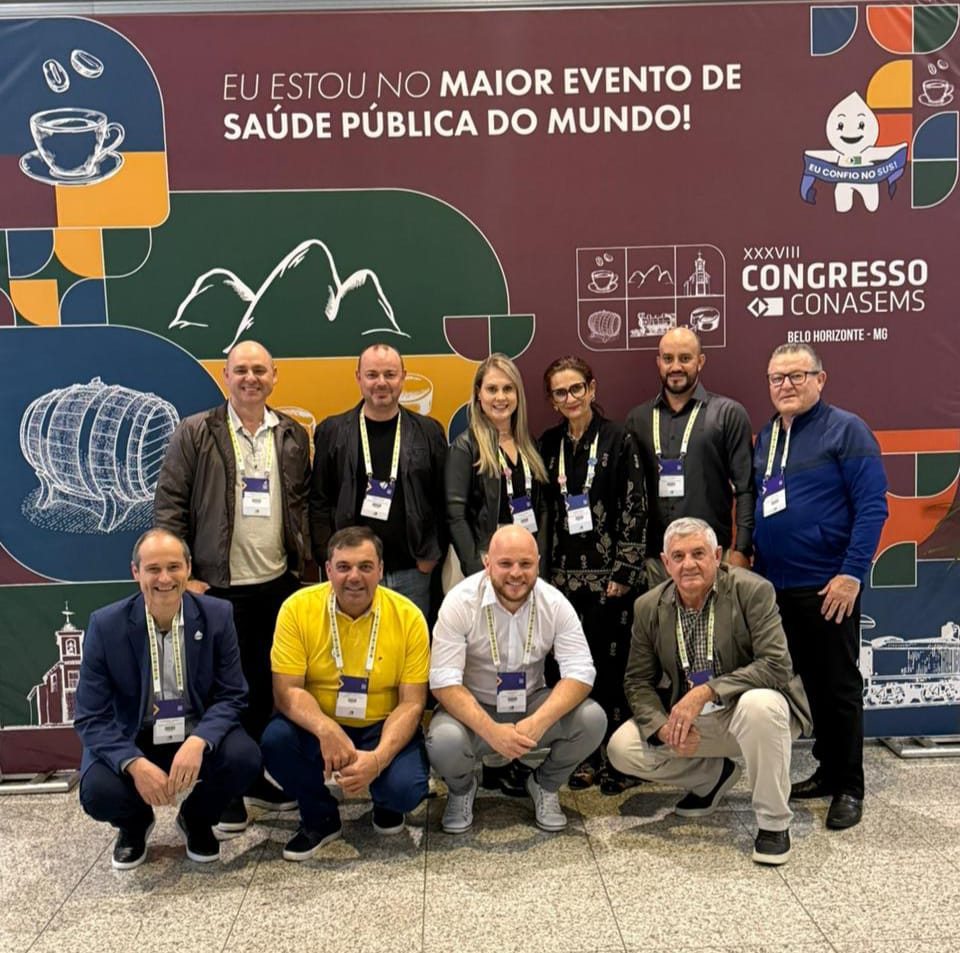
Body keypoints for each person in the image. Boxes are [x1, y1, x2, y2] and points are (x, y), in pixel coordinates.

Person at [153, 339, 311, 831]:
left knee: (264, 689)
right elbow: (170, 506)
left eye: (259, 370)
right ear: (225, 376)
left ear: (274, 376)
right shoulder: (195, 432)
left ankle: (252, 776)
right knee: (221, 692)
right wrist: (184, 577)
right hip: (215, 589)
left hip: (276, 584)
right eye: (241, 370)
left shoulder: (291, 434)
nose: (250, 378)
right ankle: (223, 791)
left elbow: (301, 504)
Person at [607, 518, 812, 865]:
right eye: (678, 556)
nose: (688, 564)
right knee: (622, 748)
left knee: (759, 705)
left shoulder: (753, 590)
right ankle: (713, 777)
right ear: (666, 562)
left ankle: (773, 823)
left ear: (717, 556)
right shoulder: (648, 606)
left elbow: (776, 665)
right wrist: (661, 727)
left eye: (698, 554)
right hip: (693, 722)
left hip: (749, 713)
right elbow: (637, 681)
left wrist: (707, 692)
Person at [752, 343, 887, 830]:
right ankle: (827, 771)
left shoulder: (846, 430)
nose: (786, 385)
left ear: (820, 380)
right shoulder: (768, 436)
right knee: (808, 684)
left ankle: (849, 786)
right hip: (776, 587)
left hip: (829, 586)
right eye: (777, 378)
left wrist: (851, 574)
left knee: (839, 686)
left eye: (797, 376)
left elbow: (872, 507)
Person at [74, 529, 261, 869]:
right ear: (136, 572)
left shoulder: (217, 616)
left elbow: (233, 694)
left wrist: (200, 740)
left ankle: (196, 819)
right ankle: (134, 823)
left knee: (245, 759)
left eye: (174, 567)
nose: (164, 578)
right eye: (153, 569)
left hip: (193, 729)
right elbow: (91, 717)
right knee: (97, 792)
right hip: (134, 735)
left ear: (188, 568)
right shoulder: (106, 625)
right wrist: (133, 762)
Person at [261, 526, 430, 861]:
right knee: (276, 742)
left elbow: (412, 703)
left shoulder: (408, 616)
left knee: (406, 790)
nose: (354, 577)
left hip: (381, 724)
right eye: (344, 567)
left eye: (365, 567)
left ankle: (385, 801)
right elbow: (286, 691)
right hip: (319, 723)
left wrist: (378, 759)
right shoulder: (297, 609)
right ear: (328, 570)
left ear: (380, 570)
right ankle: (319, 816)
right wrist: (326, 729)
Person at [426, 525, 607, 834]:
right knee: (443, 742)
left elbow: (581, 671)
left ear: (538, 563)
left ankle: (544, 784)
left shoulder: (554, 603)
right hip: (474, 707)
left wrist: (537, 722)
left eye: (525, 564)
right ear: (487, 563)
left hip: (530, 704)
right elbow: (443, 681)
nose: (516, 573)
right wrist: (492, 731)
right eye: (505, 563)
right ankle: (462, 789)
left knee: (592, 720)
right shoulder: (459, 601)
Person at [539, 355, 647, 793]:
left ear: (592, 389)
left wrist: (625, 570)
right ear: (552, 400)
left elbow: (635, 506)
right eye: (560, 392)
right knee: (571, 671)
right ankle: (583, 755)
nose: (570, 398)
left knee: (612, 669)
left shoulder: (620, 439)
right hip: (562, 583)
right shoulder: (548, 445)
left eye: (576, 389)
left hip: (610, 582)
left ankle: (618, 761)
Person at [309, 343, 447, 619]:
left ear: (403, 377)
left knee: (409, 642)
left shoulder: (429, 432)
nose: (381, 383)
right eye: (372, 375)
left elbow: (442, 501)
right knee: (352, 643)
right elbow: (319, 502)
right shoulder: (332, 432)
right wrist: (331, 559)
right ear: (358, 377)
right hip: (352, 574)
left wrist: (430, 557)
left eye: (390, 374)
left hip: (412, 572)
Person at [626, 327, 755, 584]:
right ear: (658, 362)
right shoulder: (637, 419)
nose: (676, 366)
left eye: (685, 358)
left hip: (712, 558)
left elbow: (746, 489)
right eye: (668, 358)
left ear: (700, 361)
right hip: (655, 562)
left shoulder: (728, 414)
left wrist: (741, 550)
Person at [446, 353, 549, 577]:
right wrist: (476, 570)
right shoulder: (465, 447)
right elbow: (456, 516)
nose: (500, 397)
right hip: (487, 559)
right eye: (492, 389)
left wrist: (539, 565)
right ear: (478, 393)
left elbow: (541, 508)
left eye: (508, 389)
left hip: (526, 557)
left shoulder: (529, 444)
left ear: (517, 394)